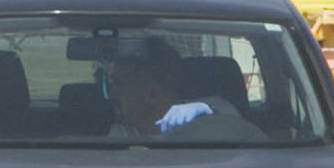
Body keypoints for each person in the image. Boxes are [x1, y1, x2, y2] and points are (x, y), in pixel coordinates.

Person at [105, 37, 265, 141]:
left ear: (152, 93)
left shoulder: (213, 109)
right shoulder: (121, 136)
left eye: (118, 84)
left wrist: (207, 112)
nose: (110, 95)